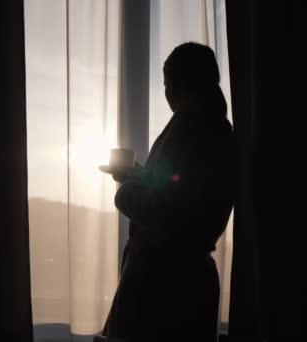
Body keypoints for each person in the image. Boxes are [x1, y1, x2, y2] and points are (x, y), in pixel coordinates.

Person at [102, 42, 235, 341]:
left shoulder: (192, 127)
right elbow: (184, 194)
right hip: (184, 281)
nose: (166, 92)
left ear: (180, 82)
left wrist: (126, 190)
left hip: (162, 284)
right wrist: (144, 176)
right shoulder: (216, 127)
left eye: (166, 82)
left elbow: (170, 211)